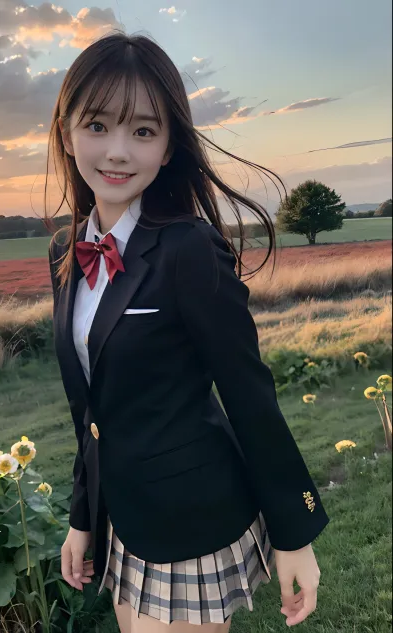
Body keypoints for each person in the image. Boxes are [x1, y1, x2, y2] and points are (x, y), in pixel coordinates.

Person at [46, 31, 330, 633]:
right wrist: (82, 515)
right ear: (67, 130)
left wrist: (295, 533)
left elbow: (249, 394)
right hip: (122, 516)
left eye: (143, 131)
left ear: (170, 144)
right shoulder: (66, 252)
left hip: (190, 519)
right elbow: (89, 405)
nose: (118, 151)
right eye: (97, 125)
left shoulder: (189, 249)